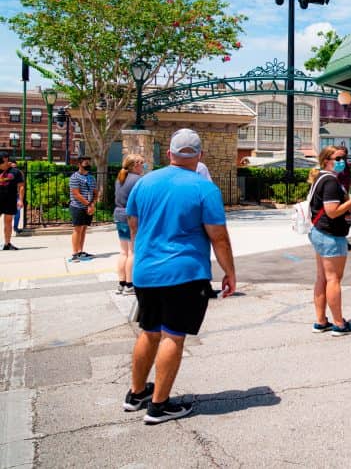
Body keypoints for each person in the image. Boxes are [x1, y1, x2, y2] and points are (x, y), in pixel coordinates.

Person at [124, 128, 236, 424]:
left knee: (149, 330)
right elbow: (219, 237)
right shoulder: (204, 188)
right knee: (173, 335)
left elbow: (132, 222)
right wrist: (229, 272)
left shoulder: (144, 182)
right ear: (199, 155)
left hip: (146, 271)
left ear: (170, 153)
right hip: (184, 273)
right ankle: (159, 405)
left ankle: (136, 393)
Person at [307, 146, 351, 336]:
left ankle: (321, 321)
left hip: (320, 232)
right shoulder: (330, 181)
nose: (342, 161)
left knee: (322, 278)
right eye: (338, 158)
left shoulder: (321, 178)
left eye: (344, 157)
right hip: (331, 234)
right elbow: (332, 211)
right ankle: (339, 324)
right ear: (326, 160)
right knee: (333, 279)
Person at [113, 154, 145, 294]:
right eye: (142, 163)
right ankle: (130, 284)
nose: (143, 166)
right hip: (131, 217)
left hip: (119, 215)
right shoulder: (138, 180)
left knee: (123, 251)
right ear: (136, 164)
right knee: (133, 251)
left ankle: (121, 283)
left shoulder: (120, 178)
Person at [68, 155, 97, 262]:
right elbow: (76, 194)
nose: (88, 165)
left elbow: (95, 192)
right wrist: (88, 205)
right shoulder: (74, 177)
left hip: (88, 207)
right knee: (77, 229)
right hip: (77, 207)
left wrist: (92, 204)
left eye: (89, 163)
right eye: (86, 163)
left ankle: (80, 251)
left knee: (84, 229)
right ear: (79, 164)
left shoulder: (91, 177)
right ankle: (75, 253)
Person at [1, 151, 24, 250]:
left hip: (10, 199)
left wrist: (21, 200)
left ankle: (7, 243)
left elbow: (21, 186)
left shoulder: (16, 172)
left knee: (8, 222)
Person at [10, 158, 23, 237]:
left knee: (17, 213)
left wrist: (21, 199)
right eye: (12, 167)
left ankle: (15, 227)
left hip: (17, 195)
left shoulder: (19, 173)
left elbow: (22, 186)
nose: (14, 169)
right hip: (8, 195)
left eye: (15, 167)